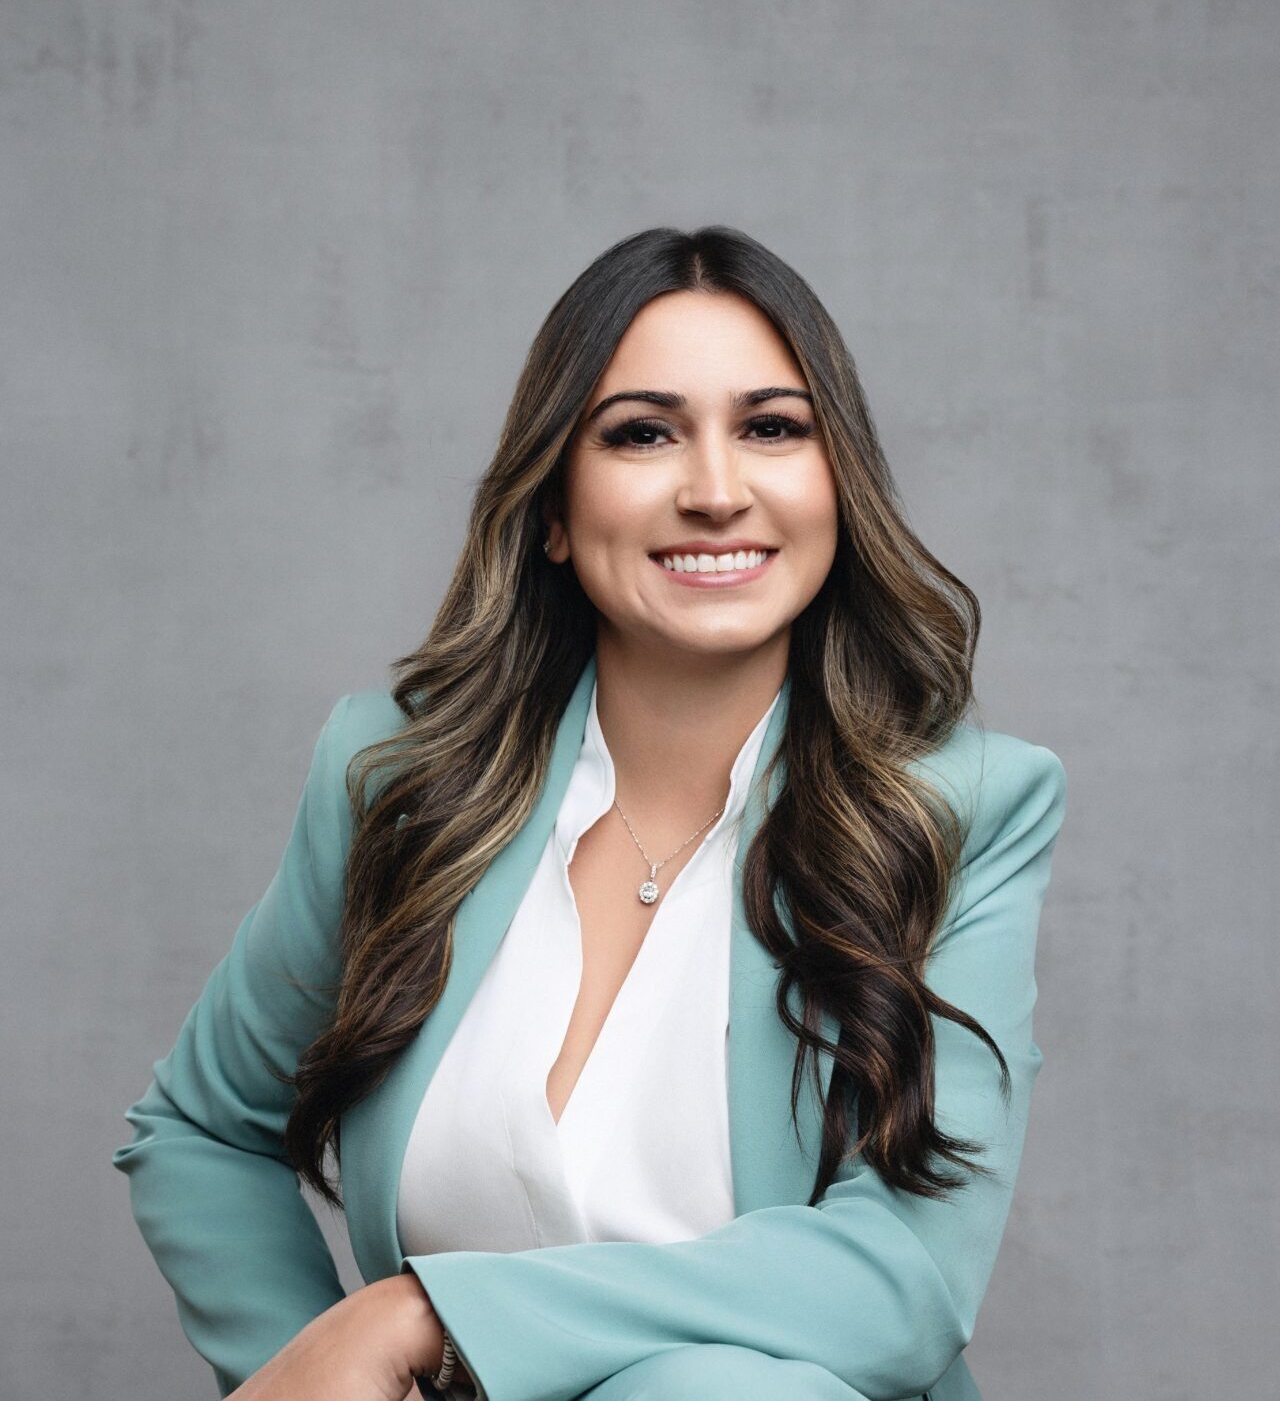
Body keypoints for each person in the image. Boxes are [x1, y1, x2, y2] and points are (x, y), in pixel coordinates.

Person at [112, 225, 1069, 1401]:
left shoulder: (962, 810)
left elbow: (902, 1276)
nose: (715, 491)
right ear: (553, 509)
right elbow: (200, 1131)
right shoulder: (397, 784)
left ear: (837, 487)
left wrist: (426, 1314)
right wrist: (314, 1366)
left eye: (771, 428)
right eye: (641, 433)